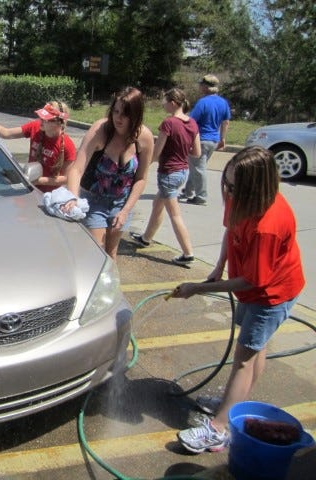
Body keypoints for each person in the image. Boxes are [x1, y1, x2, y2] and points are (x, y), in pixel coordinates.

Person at [171, 146, 304, 453]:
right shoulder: (239, 196)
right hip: (251, 288)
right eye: (227, 183)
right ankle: (236, 402)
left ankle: (219, 429)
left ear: (255, 187)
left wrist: (197, 288)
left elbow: (254, 280)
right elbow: (231, 232)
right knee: (255, 350)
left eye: (233, 187)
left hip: (271, 295)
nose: (227, 190)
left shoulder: (269, 224)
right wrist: (218, 268)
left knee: (244, 358)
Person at [60, 87, 154, 259]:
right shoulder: (100, 130)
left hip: (122, 203)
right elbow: (76, 169)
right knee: (96, 250)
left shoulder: (144, 138)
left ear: (136, 115)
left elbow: (141, 178)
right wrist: (73, 197)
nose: (118, 117)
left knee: (111, 252)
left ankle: (109, 286)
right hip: (94, 200)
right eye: (115, 111)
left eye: (125, 114)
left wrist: (125, 210)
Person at [130, 88, 201, 266]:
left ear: (173, 103)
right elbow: (197, 152)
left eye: (165, 100)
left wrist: (143, 165)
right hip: (182, 171)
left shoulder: (169, 123)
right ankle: (146, 238)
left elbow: (156, 151)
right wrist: (181, 149)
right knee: (157, 205)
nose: (163, 104)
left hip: (168, 172)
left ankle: (187, 253)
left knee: (174, 214)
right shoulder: (192, 123)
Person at [0, 101, 77, 192]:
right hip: (29, 188)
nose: (40, 121)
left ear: (58, 122)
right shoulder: (35, 127)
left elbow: (66, 178)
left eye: (45, 119)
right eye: (40, 117)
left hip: (49, 195)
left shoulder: (68, 146)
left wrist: (38, 180)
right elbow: (7, 133)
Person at [182, 74, 231, 206]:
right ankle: (188, 190)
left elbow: (192, 121)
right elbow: (226, 122)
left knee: (198, 168)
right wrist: (223, 138)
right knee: (197, 166)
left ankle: (201, 196)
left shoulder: (203, 102)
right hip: (213, 140)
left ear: (205, 87)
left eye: (201, 85)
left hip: (201, 139)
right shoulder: (223, 103)